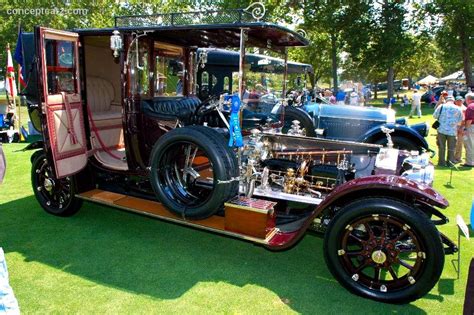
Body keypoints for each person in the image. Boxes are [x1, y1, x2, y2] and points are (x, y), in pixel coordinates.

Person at [433, 95, 463, 166]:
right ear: (453, 101)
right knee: (451, 147)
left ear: (446, 100)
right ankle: (450, 162)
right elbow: (460, 120)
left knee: (441, 147)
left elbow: (435, 116)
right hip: (452, 131)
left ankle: (441, 162)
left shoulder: (441, 106)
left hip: (441, 130)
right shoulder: (458, 108)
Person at [454, 96, 467, 163]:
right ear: (455, 101)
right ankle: (454, 157)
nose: (458, 101)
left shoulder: (464, 108)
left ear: (463, 101)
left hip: (460, 128)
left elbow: (464, 120)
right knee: (454, 143)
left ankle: (457, 158)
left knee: (459, 143)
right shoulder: (454, 107)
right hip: (454, 127)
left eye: (460, 100)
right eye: (457, 100)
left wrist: (461, 128)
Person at [463, 92, 474, 167]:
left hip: (471, 126)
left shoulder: (470, 107)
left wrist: (465, 129)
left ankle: (469, 162)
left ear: (468, 99)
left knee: (469, 145)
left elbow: (469, 120)